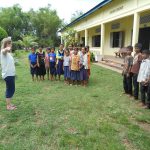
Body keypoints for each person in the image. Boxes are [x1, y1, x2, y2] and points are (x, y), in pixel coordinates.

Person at [0, 37, 17, 110]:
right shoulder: (3, 52)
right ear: (5, 44)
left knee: (10, 89)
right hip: (8, 74)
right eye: (9, 43)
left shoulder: (8, 54)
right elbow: (3, 51)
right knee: (11, 89)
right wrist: (6, 49)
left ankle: (9, 104)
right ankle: (8, 106)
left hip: (10, 74)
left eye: (11, 43)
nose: (11, 44)